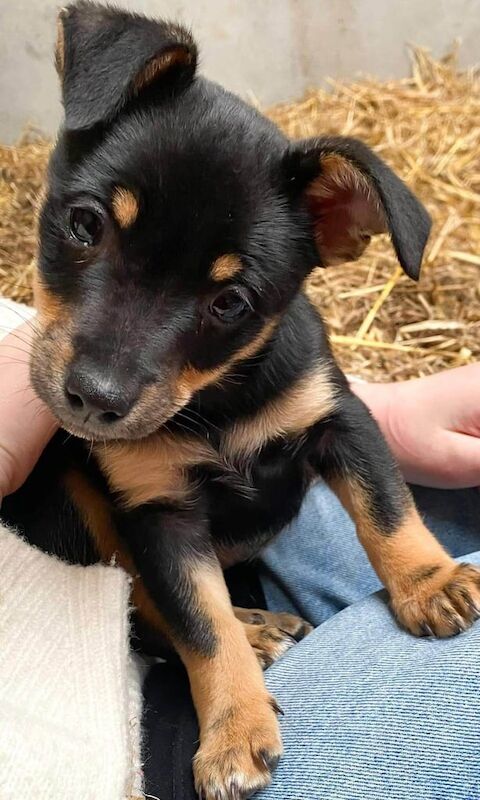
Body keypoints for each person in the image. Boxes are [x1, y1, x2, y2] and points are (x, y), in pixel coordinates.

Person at [1, 313, 480, 800]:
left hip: (253, 535)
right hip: (143, 716)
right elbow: (162, 522)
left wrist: (377, 410)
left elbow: (334, 420)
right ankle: (171, 626)